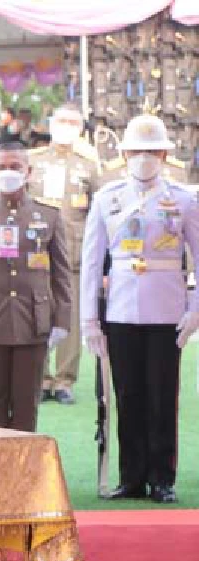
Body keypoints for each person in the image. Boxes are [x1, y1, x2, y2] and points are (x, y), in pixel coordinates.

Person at [80, 114, 199, 504]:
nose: (144, 158)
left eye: (152, 151)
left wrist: (195, 309)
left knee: (162, 396)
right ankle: (131, 477)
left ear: (164, 154)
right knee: (127, 394)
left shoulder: (184, 199)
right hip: (122, 312)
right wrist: (89, 320)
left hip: (167, 311)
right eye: (137, 151)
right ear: (124, 153)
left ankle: (162, 478)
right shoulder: (107, 198)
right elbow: (93, 263)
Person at [0, 141, 71, 432]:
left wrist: (62, 322)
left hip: (33, 320)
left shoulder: (49, 215)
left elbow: (62, 275)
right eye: (2, 167)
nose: (8, 172)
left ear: (28, 171)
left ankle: (23, 473)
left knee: (26, 406)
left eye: (15, 167)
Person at [27, 105, 101, 404]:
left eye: (73, 122)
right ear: (50, 124)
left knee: (70, 318)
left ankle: (64, 380)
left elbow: (98, 211)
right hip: (36, 252)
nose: (66, 126)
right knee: (38, 315)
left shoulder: (88, 165)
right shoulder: (33, 161)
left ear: (81, 128)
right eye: (62, 121)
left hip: (75, 251)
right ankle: (40, 377)